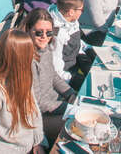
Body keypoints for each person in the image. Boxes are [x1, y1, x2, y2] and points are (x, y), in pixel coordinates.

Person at [21, 8, 77, 144]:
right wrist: (67, 107)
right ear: (28, 30)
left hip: (54, 106)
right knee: (76, 127)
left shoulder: (45, 49)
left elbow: (54, 77)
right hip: (38, 118)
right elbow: (37, 103)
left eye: (49, 32)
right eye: (39, 32)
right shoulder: (27, 59)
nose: (44, 37)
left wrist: (71, 94)